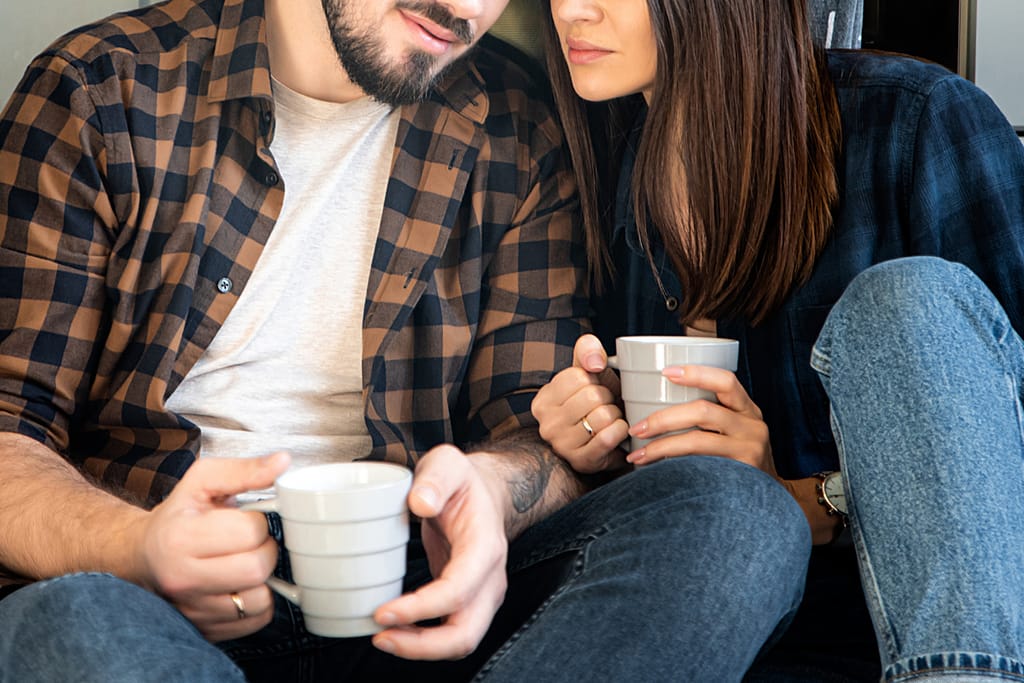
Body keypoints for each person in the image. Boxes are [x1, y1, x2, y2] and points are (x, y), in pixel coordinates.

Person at [0, 0, 815, 681]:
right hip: (153, 605)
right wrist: (136, 545)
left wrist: (490, 489)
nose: (465, 9)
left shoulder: (516, 124)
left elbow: (533, 431)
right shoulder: (102, 88)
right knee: (68, 620)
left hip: (419, 591)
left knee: (736, 512)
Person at [530, 0, 1024, 681]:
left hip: (930, 642)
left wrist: (817, 499)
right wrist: (597, 438)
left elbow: (998, 452)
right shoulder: (598, 170)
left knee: (904, 298)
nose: (571, 10)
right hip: (733, 634)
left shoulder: (917, 122)